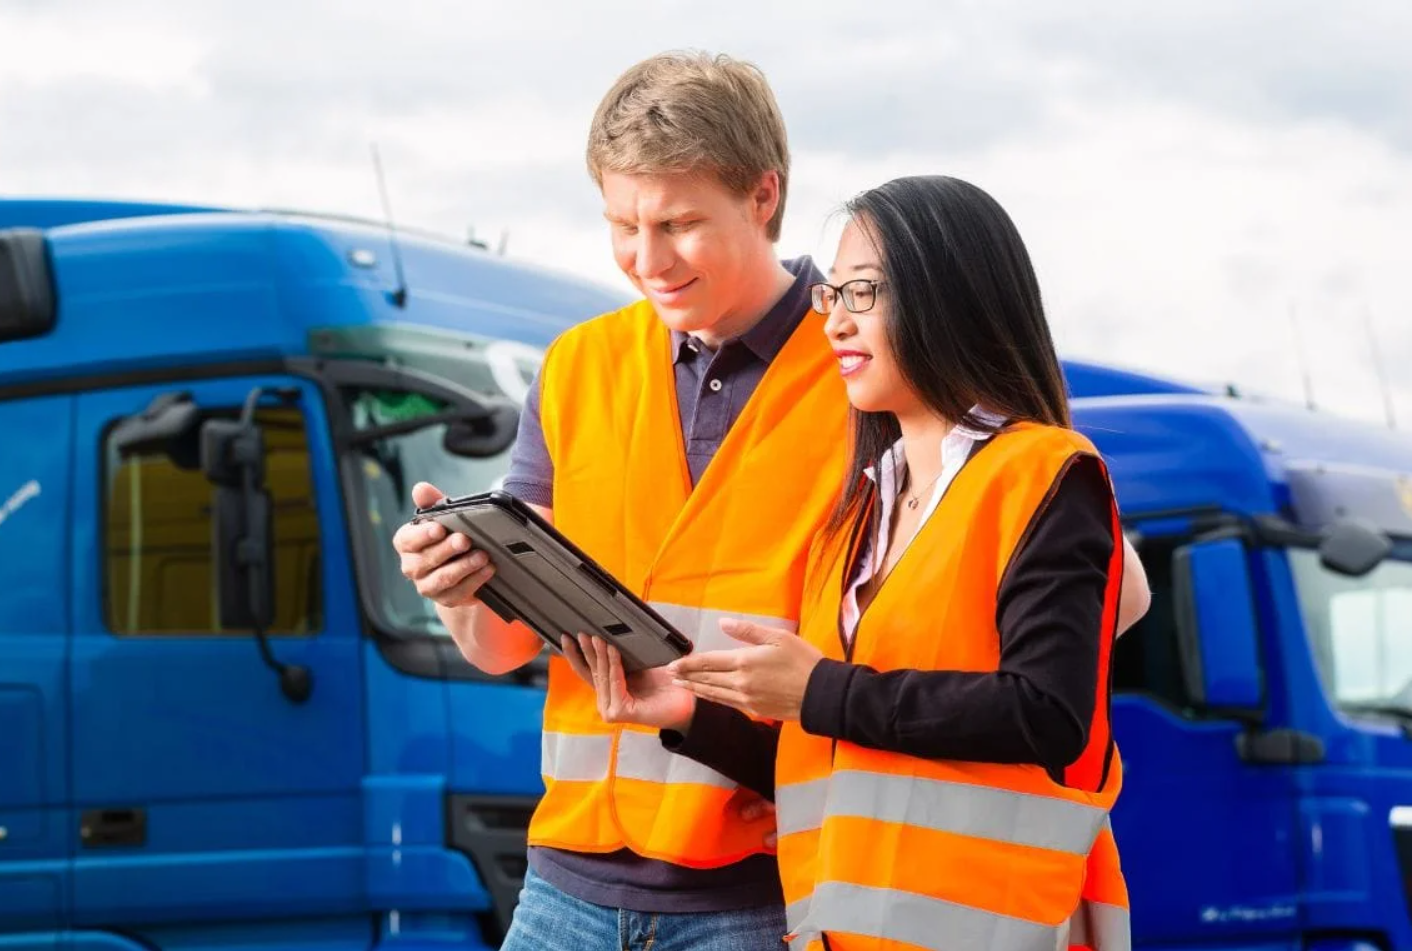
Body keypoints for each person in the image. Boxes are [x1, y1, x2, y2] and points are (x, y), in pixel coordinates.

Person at [394, 51, 1148, 951]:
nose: (646, 259)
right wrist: (456, 592)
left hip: (765, 880)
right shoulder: (574, 370)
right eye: (621, 224)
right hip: (570, 873)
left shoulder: (874, 374)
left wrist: (835, 694)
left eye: (678, 223)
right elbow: (500, 644)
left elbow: (1104, 602)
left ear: (762, 196)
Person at [574, 174, 1136, 951]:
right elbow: (834, 745)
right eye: (828, 295)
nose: (833, 320)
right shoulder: (858, 514)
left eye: (861, 293)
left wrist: (819, 688)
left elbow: (1048, 715)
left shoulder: (1044, 472)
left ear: (951, 296)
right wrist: (691, 716)